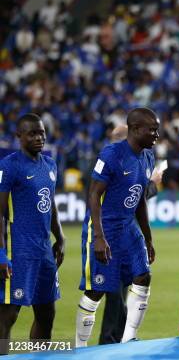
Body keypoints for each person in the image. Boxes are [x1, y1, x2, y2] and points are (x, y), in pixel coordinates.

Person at [75, 108, 160, 347]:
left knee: (143, 276)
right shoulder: (112, 154)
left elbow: (141, 198)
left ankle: (129, 337)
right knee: (97, 290)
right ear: (134, 129)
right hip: (104, 227)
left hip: (128, 227)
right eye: (151, 129)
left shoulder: (147, 156)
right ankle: (80, 347)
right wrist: (99, 237)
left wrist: (148, 238)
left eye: (157, 130)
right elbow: (94, 194)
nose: (156, 134)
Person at [0, 114, 65, 355]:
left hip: (44, 250)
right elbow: (1, 214)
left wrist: (60, 236)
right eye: (32, 133)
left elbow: (51, 203)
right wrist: (1, 254)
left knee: (47, 314)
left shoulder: (50, 165)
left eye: (41, 132)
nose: (39, 137)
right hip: (19, 251)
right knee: (7, 316)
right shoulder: (9, 166)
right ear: (19, 136)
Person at [98, 124, 165, 345]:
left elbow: (136, 197)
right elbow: (134, 194)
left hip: (126, 235)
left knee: (122, 291)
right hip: (110, 235)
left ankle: (118, 338)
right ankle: (109, 340)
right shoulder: (110, 161)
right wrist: (153, 185)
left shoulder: (134, 159)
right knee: (115, 292)